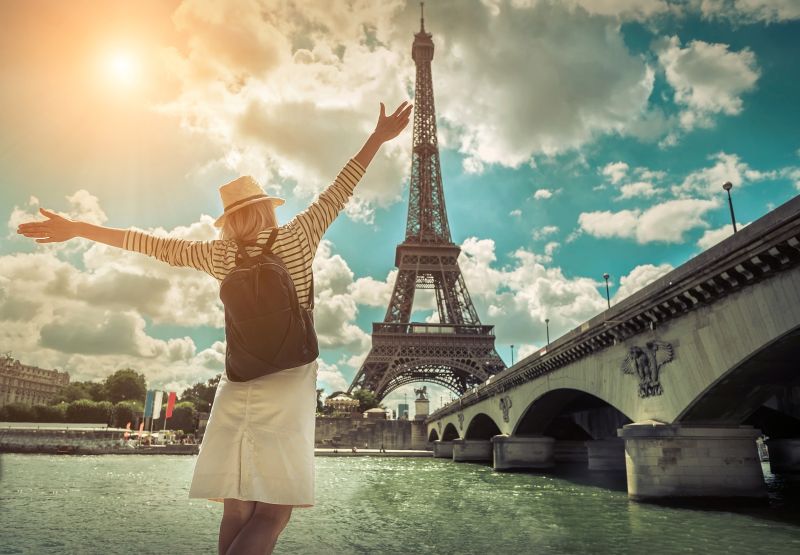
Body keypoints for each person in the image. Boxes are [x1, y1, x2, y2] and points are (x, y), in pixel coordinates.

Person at [17, 100, 412, 555]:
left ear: (231, 220)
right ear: (266, 210)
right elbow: (341, 188)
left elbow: (146, 243)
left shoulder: (219, 256)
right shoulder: (299, 236)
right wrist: (377, 138)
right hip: (289, 381)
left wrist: (79, 228)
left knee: (237, 510)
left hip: (238, 383)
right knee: (274, 512)